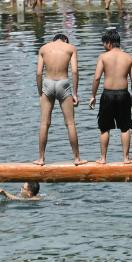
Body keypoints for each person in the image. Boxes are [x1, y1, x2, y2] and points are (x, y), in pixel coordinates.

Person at [89, 28, 132, 164]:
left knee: (104, 128)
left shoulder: (103, 57)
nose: (103, 46)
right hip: (123, 94)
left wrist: (93, 95)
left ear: (109, 43)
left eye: (104, 43)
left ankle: (103, 158)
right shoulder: (129, 58)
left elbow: (97, 78)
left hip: (108, 95)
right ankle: (126, 158)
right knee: (125, 127)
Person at [35, 33, 85, 166]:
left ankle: (41, 159)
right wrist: (75, 93)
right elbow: (75, 71)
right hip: (63, 83)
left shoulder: (43, 48)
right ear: (65, 40)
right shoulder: (71, 48)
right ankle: (77, 158)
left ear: (53, 40)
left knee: (44, 124)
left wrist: (40, 93)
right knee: (70, 124)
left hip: (48, 83)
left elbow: (39, 73)